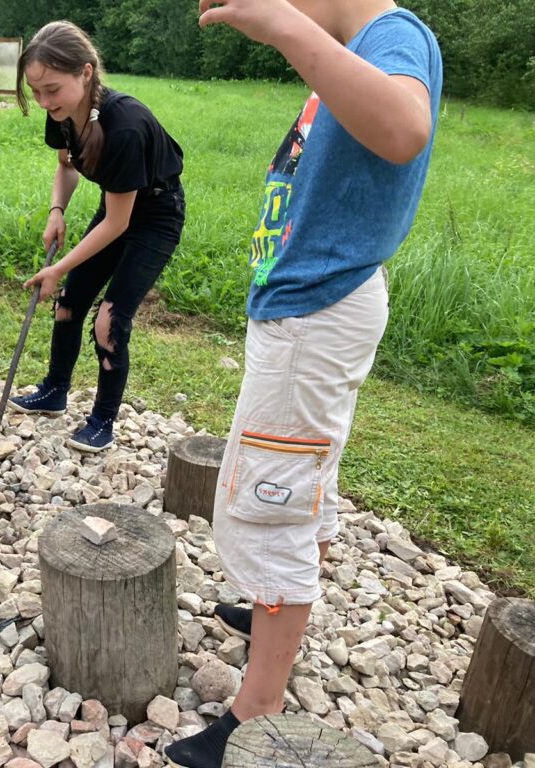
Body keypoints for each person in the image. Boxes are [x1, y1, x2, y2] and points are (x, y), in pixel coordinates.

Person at [163, 0, 442, 764]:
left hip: (317, 311)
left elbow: (405, 129)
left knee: (267, 505)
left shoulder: (394, 36)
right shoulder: (364, 42)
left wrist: (286, 26)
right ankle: (271, 617)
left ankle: (255, 714)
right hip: (314, 306)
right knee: (293, 478)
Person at [8, 21, 186, 452]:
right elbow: (67, 166)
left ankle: (103, 420)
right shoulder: (65, 115)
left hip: (154, 216)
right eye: (35, 91)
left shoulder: (123, 126)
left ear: (85, 73)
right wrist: (57, 210)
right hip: (119, 207)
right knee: (70, 301)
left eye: (52, 89)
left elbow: (119, 224)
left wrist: (57, 266)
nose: (44, 100)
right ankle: (54, 391)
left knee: (109, 320)